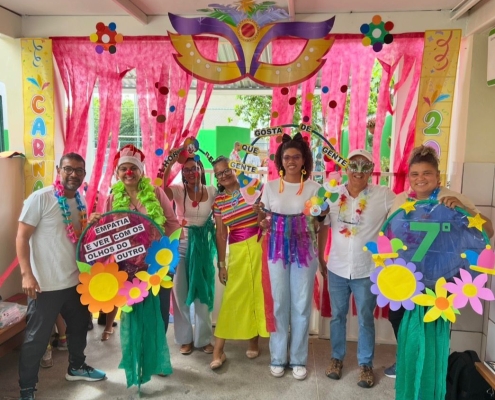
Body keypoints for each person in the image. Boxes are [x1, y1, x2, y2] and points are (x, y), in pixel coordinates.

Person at [383, 145, 494, 379]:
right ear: (409, 177)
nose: (420, 178)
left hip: (442, 277)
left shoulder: (450, 198)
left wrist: (463, 209)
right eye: (415, 174)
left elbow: (488, 230)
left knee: (432, 325)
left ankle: (431, 371)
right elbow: (390, 234)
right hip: (407, 274)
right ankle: (407, 361)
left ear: (437, 176)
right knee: (399, 318)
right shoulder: (402, 199)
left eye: (427, 173)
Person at [16, 153, 106, 400]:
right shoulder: (40, 198)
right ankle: (27, 389)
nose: (74, 174)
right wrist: (26, 275)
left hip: (75, 282)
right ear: (59, 170)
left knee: (79, 327)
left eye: (79, 170)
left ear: (84, 174)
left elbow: (76, 237)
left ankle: (76, 367)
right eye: (68, 169)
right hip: (45, 285)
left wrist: (90, 225)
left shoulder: (80, 200)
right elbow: (22, 237)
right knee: (36, 338)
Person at [318, 149, 395, 389]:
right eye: (353, 165)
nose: (358, 171)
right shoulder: (332, 194)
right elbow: (322, 224)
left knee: (365, 319)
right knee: (337, 316)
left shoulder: (384, 195)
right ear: (346, 168)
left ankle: (365, 364)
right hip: (337, 267)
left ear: (371, 170)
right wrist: (320, 256)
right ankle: (336, 359)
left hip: (366, 270)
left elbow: (404, 210)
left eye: (365, 166)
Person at [255, 133, 322, 381]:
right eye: (286, 157)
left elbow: (321, 220)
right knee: (279, 301)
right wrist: (262, 221)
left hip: (305, 249)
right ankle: (278, 357)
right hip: (276, 249)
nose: (291, 161)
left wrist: (320, 216)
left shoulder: (315, 188)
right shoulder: (271, 187)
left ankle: (298, 359)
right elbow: (262, 217)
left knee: (301, 304)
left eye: (296, 156)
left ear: (304, 160)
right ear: (280, 161)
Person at [101, 145, 181, 341]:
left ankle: (156, 352)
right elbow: (107, 232)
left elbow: (172, 224)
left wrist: (170, 257)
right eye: (123, 169)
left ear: (141, 171)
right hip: (127, 265)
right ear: (117, 173)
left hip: (157, 263)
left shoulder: (156, 193)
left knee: (158, 313)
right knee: (133, 314)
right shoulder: (112, 199)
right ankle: (137, 352)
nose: (128, 173)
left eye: (133, 168)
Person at [210, 156, 268, 369]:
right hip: (236, 251)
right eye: (219, 173)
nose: (224, 175)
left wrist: (260, 213)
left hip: (260, 245)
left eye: (227, 170)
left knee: (259, 293)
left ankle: (254, 340)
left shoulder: (255, 187)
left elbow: (266, 219)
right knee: (232, 297)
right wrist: (221, 264)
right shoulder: (219, 201)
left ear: (234, 169)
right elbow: (220, 234)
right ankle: (218, 351)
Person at [163, 152, 217, 356]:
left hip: (202, 248)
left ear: (200, 170)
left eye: (194, 168)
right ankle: (184, 339)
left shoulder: (211, 190)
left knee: (203, 293)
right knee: (180, 293)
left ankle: (203, 339)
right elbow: (162, 192)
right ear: (182, 173)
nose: (191, 173)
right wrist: (170, 163)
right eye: (186, 170)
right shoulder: (178, 190)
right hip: (181, 246)